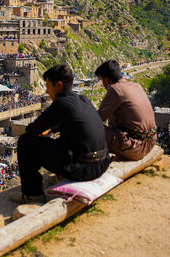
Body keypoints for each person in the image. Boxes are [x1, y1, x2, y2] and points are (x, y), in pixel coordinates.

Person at [11, 64, 110, 204]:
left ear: (58, 85)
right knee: (62, 140)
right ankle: (62, 176)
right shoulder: (83, 100)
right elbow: (71, 124)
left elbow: (31, 130)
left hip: (86, 170)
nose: (46, 91)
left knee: (25, 142)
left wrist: (44, 130)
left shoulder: (61, 103)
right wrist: (51, 129)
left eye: (48, 86)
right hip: (102, 164)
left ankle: (32, 194)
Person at [95, 60, 156, 160]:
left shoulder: (115, 89)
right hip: (150, 143)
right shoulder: (137, 86)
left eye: (101, 80)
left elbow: (98, 119)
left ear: (106, 80)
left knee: (88, 127)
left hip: (135, 148)